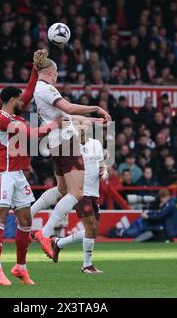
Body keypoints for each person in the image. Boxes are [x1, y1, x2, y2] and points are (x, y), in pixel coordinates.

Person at [31, 49, 111, 259]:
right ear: (50, 71)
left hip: (57, 143)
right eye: (56, 73)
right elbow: (69, 108)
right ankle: (45, 233)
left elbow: (68, 118)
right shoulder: (47, 89)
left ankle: (28, 215)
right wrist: (95, 107)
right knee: (76, 193)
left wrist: (96, 121)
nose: (56, 77)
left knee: (62, 189)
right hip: (67, 143)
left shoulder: (40, 91)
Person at [0, 59, 63, 286]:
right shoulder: (2, 118)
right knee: (1, 216)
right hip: (3, 172)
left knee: (25, 220)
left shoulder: (15, 114)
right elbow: (30, 135)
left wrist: (34, 67)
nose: (25, 101)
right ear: (12, 101)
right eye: (20, 100)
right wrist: (54, 125)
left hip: (18, 173)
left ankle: (20, 267)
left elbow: (30, 91)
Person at [49, 124, 109, 273]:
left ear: (88, 130)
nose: (81, 132)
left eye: (83, 129)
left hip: (94, 192)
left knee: (92, 230)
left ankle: (58, 242)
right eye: (78, 129)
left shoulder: (96, 144)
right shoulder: (70, 149)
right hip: (79, 192)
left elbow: (101, 163)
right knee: (91, 227)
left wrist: (104, 171)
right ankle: (87, 265)